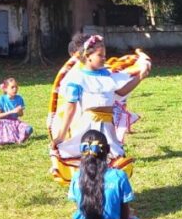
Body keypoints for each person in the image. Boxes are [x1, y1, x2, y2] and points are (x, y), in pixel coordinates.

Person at [65, 130, 155, 219]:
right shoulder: (119, 176)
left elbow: (82, 207)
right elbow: (124, 216)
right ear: (107, 150)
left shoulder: (76, 178)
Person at [52, 34, 148, 165]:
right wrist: (61, 135)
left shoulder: (106, 74)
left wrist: (140, 77)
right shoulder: (76, 78)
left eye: (105, 55)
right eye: (100, 55)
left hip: (108, 124)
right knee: (92, 158)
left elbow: (120, 92)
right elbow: (70, 109)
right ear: (87, 56)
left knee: (114, 157)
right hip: (90, 126)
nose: (104, 58)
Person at [0, 77, 33, 145]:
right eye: (12, 87)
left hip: (15, 122)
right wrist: (12, 111)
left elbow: (21, 114)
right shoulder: (1, 99)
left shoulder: (19, 98)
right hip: (4, 123)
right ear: (6, 89)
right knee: (7, 140)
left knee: (29, 129)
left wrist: (19, 111)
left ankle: (20, 137)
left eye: (16, 87)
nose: (15, 89)